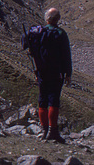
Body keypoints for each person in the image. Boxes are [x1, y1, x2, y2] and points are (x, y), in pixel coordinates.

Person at [22, 8, 72, 143]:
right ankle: (53, 131)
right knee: (54, 100)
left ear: (47, 19)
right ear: (58, 19)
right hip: (56, 72)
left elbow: (27, 46)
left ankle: (43, 130)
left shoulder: (38, 33)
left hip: (41, 71)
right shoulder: (61, 33)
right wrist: (68, 73)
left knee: (42, 99)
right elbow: (66, 55)